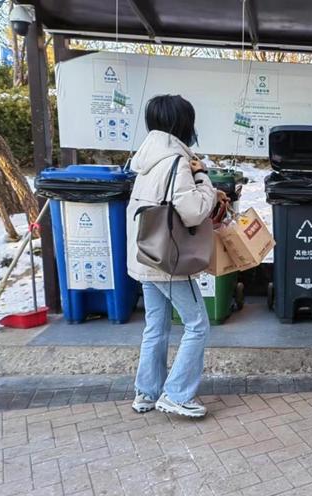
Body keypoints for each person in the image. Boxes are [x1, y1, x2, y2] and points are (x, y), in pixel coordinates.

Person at [126, 95, 226, 418]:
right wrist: (204, 179)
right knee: (198, 324)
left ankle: (147, 392)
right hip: (167, 262)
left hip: (144, 256)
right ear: (182, 124)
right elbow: (195, 210)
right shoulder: (177, 161)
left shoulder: (146, 158)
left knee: (156, 327)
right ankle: (176, 394)